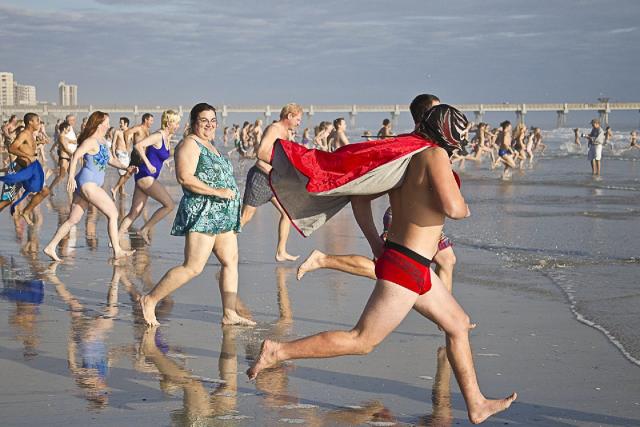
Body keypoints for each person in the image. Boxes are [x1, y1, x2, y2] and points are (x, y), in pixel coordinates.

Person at [248, 104, 516, 424]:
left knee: (458, 324)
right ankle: (277, 351)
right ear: (449, 135)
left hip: (411, 263)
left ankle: (476, 404)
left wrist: (377, 243)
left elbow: (361, 197)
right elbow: (455, 209)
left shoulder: (404, 156)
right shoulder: (433, 156)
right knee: (362, 340)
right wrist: (461, 202)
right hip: (407, 265)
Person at [138, 103, 254, 327]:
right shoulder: (189, 144)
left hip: (222, 214)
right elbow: (185, 178)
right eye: (204, 120)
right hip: (204, 212)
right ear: (193, 123)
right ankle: (150, 299)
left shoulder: (210, 145)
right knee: (193, 267)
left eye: (213, 121)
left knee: (230, 262)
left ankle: (229, 313)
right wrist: (218, 192)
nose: (209, 125)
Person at [43, 111, 136, 262]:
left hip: (86, 184)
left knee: (73, 219)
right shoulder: (91, 141)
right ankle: (117, 251)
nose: (108, 124)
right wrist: (71, 177)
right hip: (88, 183)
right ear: (99, 124)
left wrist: (126, 168)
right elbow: (75, 156)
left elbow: (111, 160)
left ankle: (51, 247)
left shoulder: (103, 142)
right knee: (113, 214)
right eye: (106, 122)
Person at [240, 103, 303, 262]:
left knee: (287, 213)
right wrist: (278, 171)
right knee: (246, 217)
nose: (299, 122)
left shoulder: (286, 133)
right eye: (298, 119)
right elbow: (260, 154)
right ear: (289, 116)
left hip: (273, 180)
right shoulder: (274, 129)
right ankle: (222, 240)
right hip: (261, 178)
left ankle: (281, 252)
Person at [117, 110, 178, 244]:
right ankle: (144, 229)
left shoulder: (167, 138)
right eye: (176, 123)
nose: (177, 126)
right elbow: (139, 145)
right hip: (146, 175)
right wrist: (148, 164)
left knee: (135, 213)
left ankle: (115, 240)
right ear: (168, 123)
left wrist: (167, 162)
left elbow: (158, 155)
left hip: (146, 176)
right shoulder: (158, 135)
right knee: (169, 205)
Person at [0, 113, 51, 224]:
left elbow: (27, 146)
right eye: (37, 121)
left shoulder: (31, 135)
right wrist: (27, 156)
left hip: (30, 170)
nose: (39, 123)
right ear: (30, 122)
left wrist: (40, 142)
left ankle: (26, 211)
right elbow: (12, 148)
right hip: (18, 169)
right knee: (6, 201)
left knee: (45, 191)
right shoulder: (24, 134)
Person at [110, 113, 154, 198]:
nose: (152, 122)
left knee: (130, 173)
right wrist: (127, 145)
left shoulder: (147, 130)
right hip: (137, 155)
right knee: (130, 173)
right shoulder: (138, 128)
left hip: (143, 156)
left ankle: (116, 189)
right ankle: (116, 189)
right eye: (151, 120)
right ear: (146, 120)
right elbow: (126, 133)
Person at [48, 121, 78, 193]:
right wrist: (74, 154)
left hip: (68, 158)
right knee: (61, 176)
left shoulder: (65, 137)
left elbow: (74, 141)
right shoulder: (61, 137)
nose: (69, 130)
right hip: (64, 158)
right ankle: (50, 188)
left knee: (71, 174)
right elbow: (65, 148)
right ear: (64, 129)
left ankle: (75, 189)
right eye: (68, 129)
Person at [109, 117, 130, 198]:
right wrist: (114, 154)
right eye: (120, 122)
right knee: (123, 173)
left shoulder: (130, 132)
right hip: (119, 153)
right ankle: (119, 190)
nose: (120, 124)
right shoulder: (117, 132)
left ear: (126, 124)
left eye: (121, 123)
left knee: (126, 174)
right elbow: (113, 143)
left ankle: (121, 191)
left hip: (126, 155)